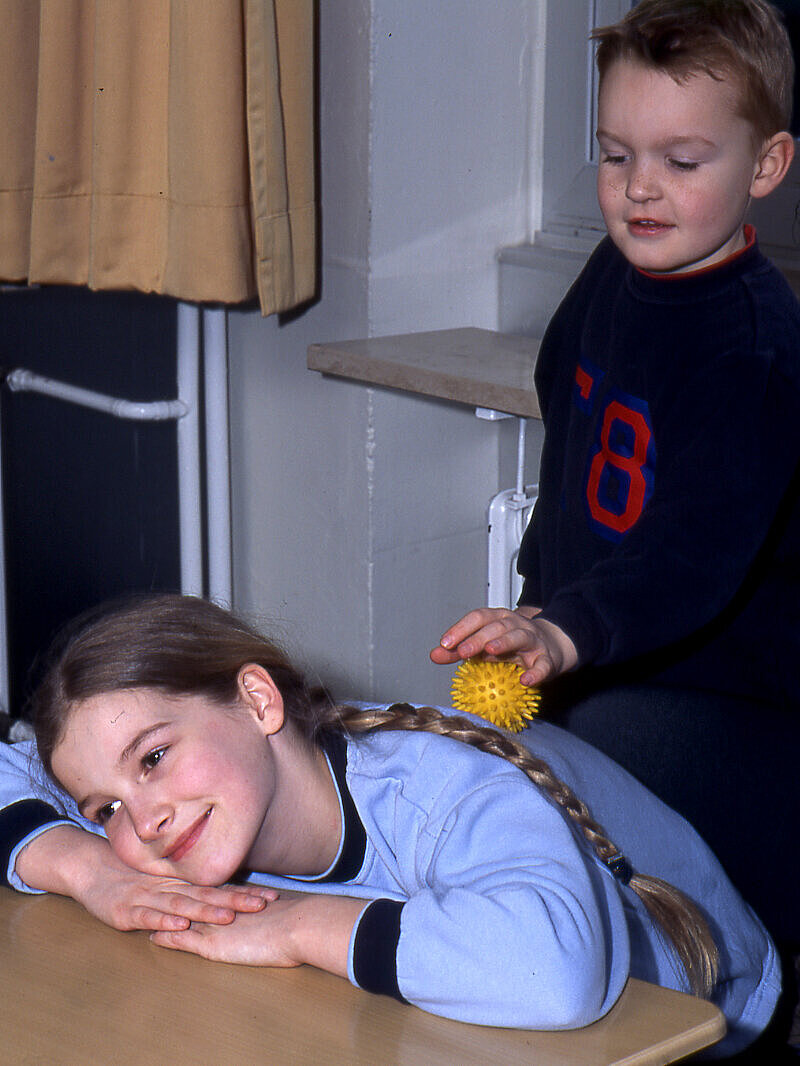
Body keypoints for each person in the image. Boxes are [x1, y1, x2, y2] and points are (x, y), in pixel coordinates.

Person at [0, 593, 783, 1059]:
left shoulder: (434, 791)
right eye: (105, 810)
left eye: (155, 758)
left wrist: (299, 928)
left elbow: (553, 974)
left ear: (259, 702)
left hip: (704, 1019)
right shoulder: (173, 823)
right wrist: (88, 867)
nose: (145, 820)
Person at [430, 0, 800, 983]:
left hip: (726, 691)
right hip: (606, 642)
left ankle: (736, 997)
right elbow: (567, 420)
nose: (638, 189)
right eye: (612, 154)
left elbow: (689, 554)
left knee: (602, 765)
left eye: (681, 162)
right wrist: (538, 599)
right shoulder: (614, 267)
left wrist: (566, 633)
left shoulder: (749, 349)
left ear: (763, 168)